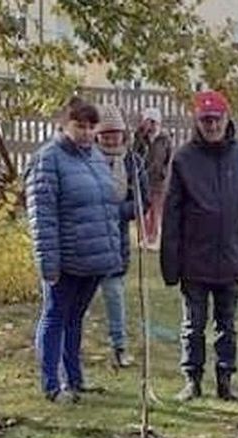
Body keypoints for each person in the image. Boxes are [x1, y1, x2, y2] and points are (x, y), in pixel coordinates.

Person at [161, 90, 238, 403]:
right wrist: (170, 265)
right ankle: (192, 380)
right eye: (205, 120)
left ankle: (226, 381)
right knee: (193, 324)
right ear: (197, 121)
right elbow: (171, 214)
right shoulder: (183, 159)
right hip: (195, 260)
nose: (212, 125)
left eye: (216, 119)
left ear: (226, 118)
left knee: (227, 325)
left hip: (231, 257)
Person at [26, 97, 123, 402]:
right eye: (79, 125)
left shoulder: (94, 156)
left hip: (93, 257)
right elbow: (42, 216)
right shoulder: (48, 159)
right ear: (64, 125)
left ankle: (75, 378)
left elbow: (107, 205)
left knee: (75, 318)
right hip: (66, 257)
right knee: (55, 316)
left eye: (91, 126)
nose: (85, 132)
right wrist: (48, 262)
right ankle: (52, 384)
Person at [95, 104, 149, 370]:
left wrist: (117, 212)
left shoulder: (133, 163)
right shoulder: (88, 158)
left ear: (123, 135)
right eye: (105, 134)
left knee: (115, 295)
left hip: (116, 241)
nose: (110, 138)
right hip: (88, 240)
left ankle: (119, 347)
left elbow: (143, 201)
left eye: (115, 133)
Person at [132, 107, 172, 249]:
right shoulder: (140, 137)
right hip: (143, 178)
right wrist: (141, 134)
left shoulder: (165, 138)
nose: (152, 125)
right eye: (150, 122)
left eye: (154, 122)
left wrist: (163, 172)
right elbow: (134, 152)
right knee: (143, 209)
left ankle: (154, 238)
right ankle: (143, 237)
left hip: (158, 180)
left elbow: (169, 158)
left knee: (156, 210)